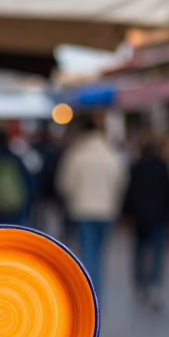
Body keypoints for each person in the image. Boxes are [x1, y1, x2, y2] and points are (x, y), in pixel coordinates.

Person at [56, 115, 127, 299]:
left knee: (87, 254)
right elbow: (121, 182)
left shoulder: (76, 154)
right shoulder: (112, 154)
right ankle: (97, 293)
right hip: (107, 211)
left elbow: (64, 184)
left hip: (82, 210)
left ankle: (88, 294)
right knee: (100, 254)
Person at [123, 137, 169, 310]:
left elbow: (129, 192)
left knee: (140, 251)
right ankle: (154, 285)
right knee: (157, 253)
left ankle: (140, 284)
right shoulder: (162, 167)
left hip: (140, 217)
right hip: (159, 217)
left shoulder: (136, 167)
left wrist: (128, 213)